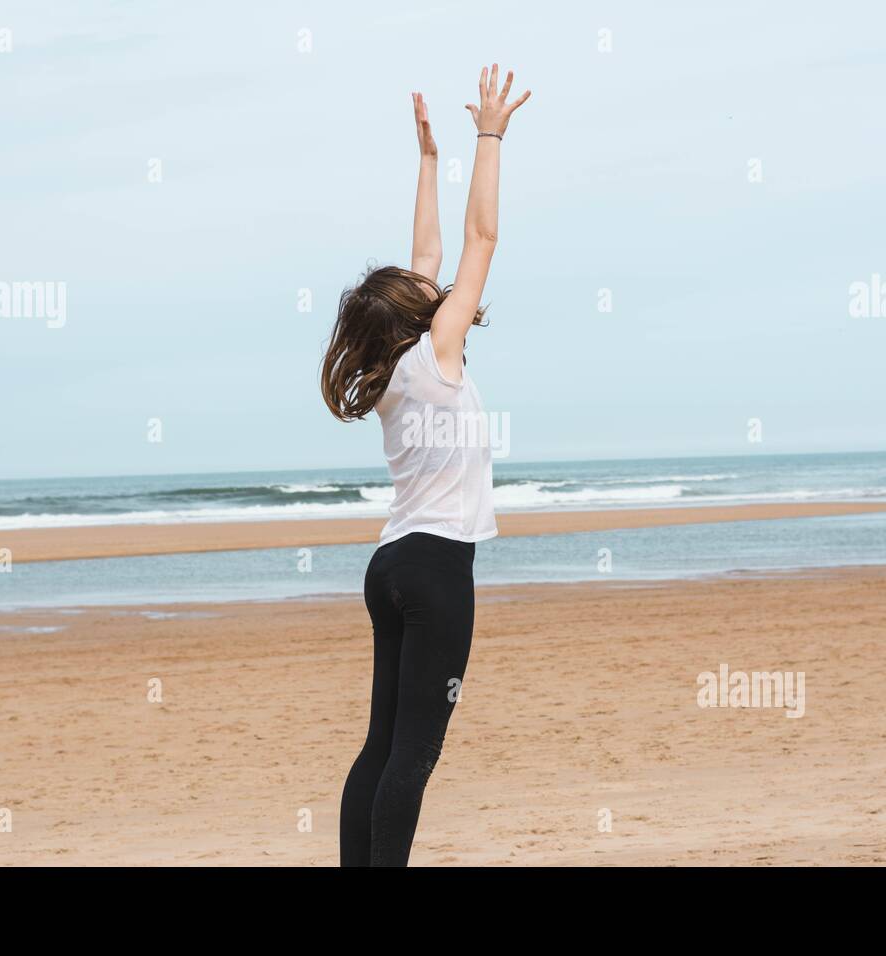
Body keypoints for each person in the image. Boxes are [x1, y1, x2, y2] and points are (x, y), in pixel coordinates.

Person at [321, 65, 530, 866]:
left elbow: (430, 253)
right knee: (413, 757)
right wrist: (489, 137)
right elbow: (480, 241)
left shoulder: (390, 375)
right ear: (419, 313)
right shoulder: (438, 354)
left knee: (380, 746)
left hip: (388, 565)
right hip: (438, 568)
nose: (428, 282)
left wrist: (428, 162)